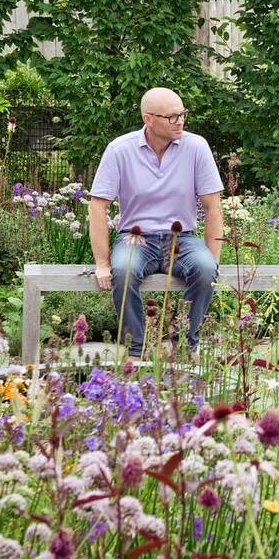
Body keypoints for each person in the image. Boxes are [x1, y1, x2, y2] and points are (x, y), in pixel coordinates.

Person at [89, 87, 224, 357]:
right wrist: (102, 263)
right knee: (123, 271)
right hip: (135, 237)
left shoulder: (196, 147)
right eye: (172, 117)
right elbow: (97, 206)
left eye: (182, 114)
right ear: (148, 118)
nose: (180, 121)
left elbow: (213, 206)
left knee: (206, 269)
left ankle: (184, 345)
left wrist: (215, 260)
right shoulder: (119, 150)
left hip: (182, 238)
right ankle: (137, 350)